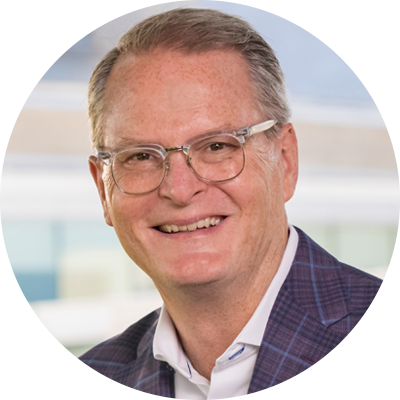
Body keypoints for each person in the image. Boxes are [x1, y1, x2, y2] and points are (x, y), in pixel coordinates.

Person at [47, 8, 400, 400]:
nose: (180, 189)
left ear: (285, 161)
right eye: (141, 156)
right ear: (103, 189)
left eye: (217, 146)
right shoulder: (80, 389)